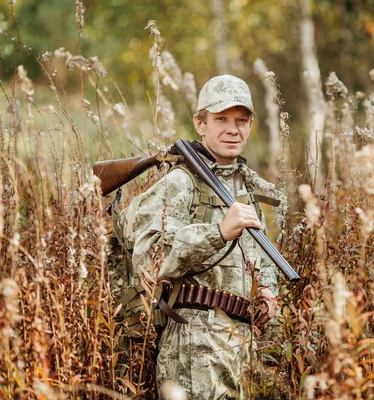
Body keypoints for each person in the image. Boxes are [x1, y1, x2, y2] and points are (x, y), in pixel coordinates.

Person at [119, 75, 282, 399]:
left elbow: (256, 259)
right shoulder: (181, 182)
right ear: (200, 123)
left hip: (242, 344)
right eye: (221, 119)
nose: (232, 129)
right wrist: (218, 232)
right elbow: (151, 258)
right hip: (194, 344)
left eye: (241, 120)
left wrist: (266, 288)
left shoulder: (247, 189)